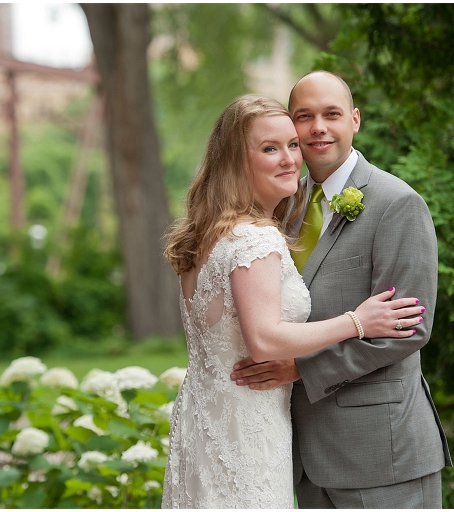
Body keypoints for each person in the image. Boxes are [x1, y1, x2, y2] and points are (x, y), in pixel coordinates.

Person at [161, 95, 426, 509]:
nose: (290, 159)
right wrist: (357, 321)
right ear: (235, 160)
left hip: (206, 421)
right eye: (270, 148)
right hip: (248, 427)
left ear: (355, 121)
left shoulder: (208, 236)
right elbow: (264, 341)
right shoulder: (256, 236)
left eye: (291, 145)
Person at [230, 71, 452, 508]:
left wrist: (300, 369)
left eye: (331, 114)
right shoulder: (285, 207)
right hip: (302, 454)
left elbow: (406, 329)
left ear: (354, 120)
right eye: (304, 116)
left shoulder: (397, 204)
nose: (317, 127)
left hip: (382, 453)